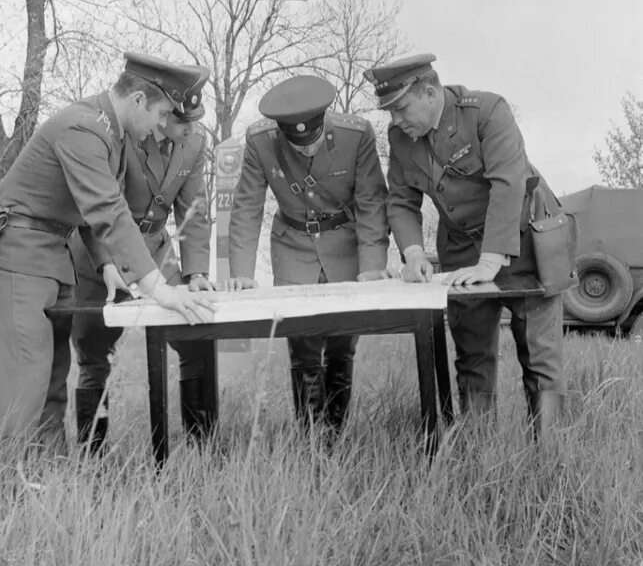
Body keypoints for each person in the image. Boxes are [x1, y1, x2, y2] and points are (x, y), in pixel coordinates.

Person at [0, 52, 216, 452]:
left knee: (52, 380)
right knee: (26, 384)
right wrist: (158, 286)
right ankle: (5, 494)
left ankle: (47, 479)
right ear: (137, 101)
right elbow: (108, 210)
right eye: (161, 113)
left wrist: (106, 265)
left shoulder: (111, 134)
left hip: (51, 254)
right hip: (20, 256)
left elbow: (88, 213)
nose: (161, 126)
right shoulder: (85, 128)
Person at [364, 53, 567, 435]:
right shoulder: (401, 139)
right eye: (389, 113)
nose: (396, 121)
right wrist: (412, 254)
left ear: (429, 92)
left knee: (542, 361)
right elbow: (401, 201)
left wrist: (490, 262)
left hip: (525, 243)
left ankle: (552, 452)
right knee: (472, 358)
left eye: (401, 109)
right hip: (461, 250)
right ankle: (478, 450)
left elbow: (509, 184)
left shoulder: (487, 111)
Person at [225, 75, 390, 433]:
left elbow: (372, 204)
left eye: (312, 142)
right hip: (292, 245)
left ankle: (336, 431)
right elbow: (247, 206)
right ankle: (311, 437)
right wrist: (240, 271)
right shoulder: (260, 140)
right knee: (301, 344)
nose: (306, 150)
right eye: (297, 146)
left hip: (344, 243)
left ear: (323, 122)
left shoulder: (356, 134)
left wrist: (374, 266)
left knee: (343, 342)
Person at [71, 67, 218, 451]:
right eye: (181, 120)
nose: (190, 129)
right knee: (93, 353)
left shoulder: (194, 142)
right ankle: (93, 458)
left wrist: (196, 271)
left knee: (197, 331)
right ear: (163, 114)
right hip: (102, 251)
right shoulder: (125, 134)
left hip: (156, 250)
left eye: (195, 121)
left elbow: (194, 209)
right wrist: (106, 263)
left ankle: (203, 449)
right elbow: (101, 209)